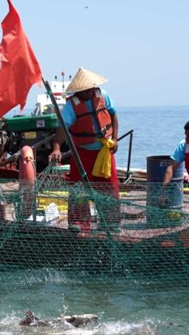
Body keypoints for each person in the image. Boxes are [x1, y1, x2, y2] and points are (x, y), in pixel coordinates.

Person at [48, 67, 119, 232]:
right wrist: (56, 148)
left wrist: (115, 139)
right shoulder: (71, 105)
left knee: (110, 188)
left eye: (92, 88)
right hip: (82, 154)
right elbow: (62, 128)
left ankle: (111, 224)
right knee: (78, 189)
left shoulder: (103, 95)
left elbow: (114, 115)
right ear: (80, 89)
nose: (90, 92)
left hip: (104, 152)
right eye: (86, 89)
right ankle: (80, 224)